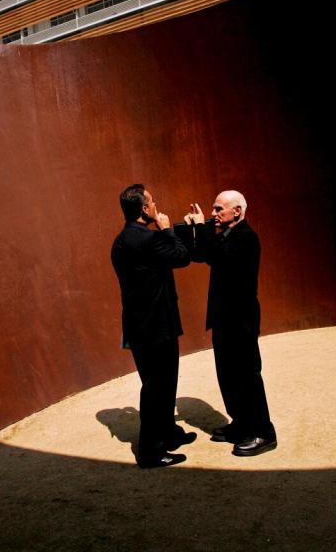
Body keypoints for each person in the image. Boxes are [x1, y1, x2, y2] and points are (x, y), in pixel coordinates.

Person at [182, 190, 277, 456]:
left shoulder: (246, 237)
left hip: (241, 319)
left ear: (237, 211)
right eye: (212, 210)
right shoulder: (224, 236)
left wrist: (202, 227)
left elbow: (218, 256)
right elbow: (200, 254)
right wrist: (190, 231)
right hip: (223, 318)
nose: (213, 214)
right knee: (228, 375)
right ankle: (241, 423)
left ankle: (263, 433)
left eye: (218, 209)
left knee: (247, 376)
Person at [111, 184, 197, 468]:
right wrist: (167, 229)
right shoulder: (149, 239)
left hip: (139, 326)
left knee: (161, 381)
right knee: (157, 386)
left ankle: (168, 433)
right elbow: (182, 256)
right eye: (152, 202)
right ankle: (150, 450)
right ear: (145, 209)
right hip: (157, 325)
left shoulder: (120, 242)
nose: (156, 205)